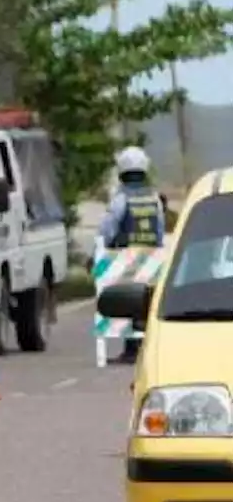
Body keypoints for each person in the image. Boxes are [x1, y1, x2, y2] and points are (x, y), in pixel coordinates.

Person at [98, 145, 164, 364]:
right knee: (147, 304)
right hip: (152, 257)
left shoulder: (121, 198)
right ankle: (147, 349)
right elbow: (160, 227)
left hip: (126, 257)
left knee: (128, 304)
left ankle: (131, 349)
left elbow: (109, 227)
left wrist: (106, 247)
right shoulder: (153, 197)